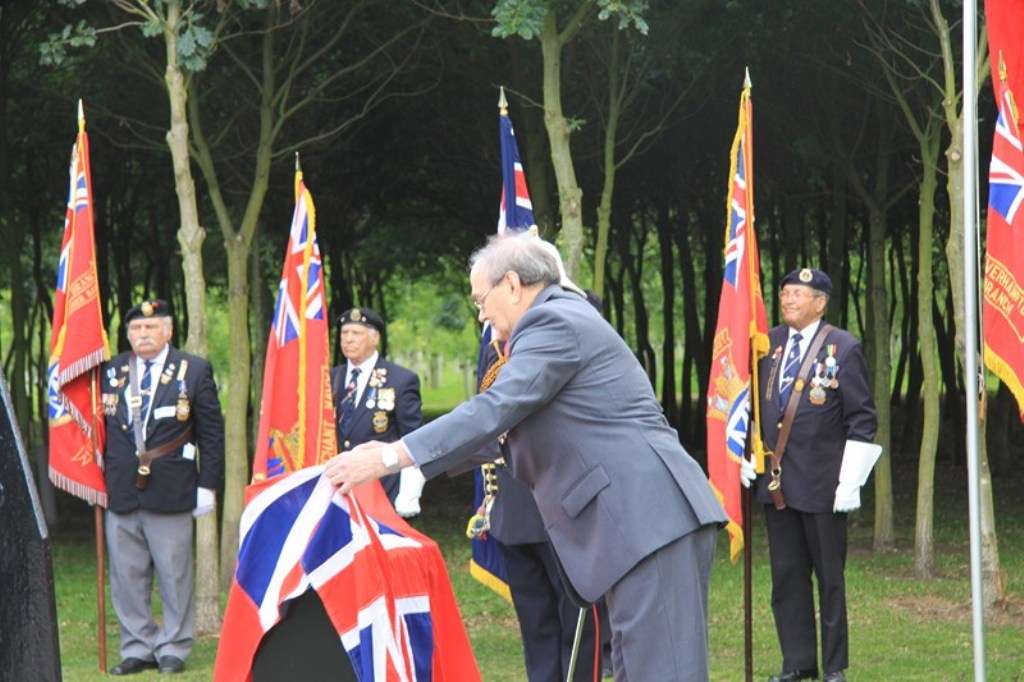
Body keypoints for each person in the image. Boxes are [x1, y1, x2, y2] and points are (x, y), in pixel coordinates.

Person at [325, 234, 727, 681]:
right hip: (636, 525)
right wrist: (404, 458)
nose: (481, 314)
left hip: (647, 522)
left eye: (481, 299)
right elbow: (503, 429)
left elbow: (497, 407)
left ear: (512, 284)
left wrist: (392, 456)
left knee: (662, 672)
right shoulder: (555, 324)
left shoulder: (553, 320)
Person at [742, 268, 880, 682]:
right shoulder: (769, 344)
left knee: (829, 580)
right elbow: (754, 405)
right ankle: (798, 662)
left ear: (820, 302)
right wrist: (749, 451)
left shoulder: (843, 346)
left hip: (823, 485)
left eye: (798, 294)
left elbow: (862, 418)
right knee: (787, 580)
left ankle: (835, 667)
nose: (788, 300)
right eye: (785, 293)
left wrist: (850, 480)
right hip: (777, 484)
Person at [101, 299, 224, 675]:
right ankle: (137, 646)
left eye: (151, 328)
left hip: (171, 487)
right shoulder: (112, 370)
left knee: (174, 574)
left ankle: (173, 644)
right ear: (128, 335)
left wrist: (209, 485)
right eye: (136, 329)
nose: (143, 335)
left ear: (168, 331)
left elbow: (212, 433)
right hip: (121, 489)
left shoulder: (193, 369)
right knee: (126, 575)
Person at [331, 307, 425, 516]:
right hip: (337, 492)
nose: (348, 340)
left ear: (374, 338)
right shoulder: (330, 378)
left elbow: (414, 440)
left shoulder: (400, 380)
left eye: (356, 333)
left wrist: (408, 495)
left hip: (381, 492)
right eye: (344, 333)